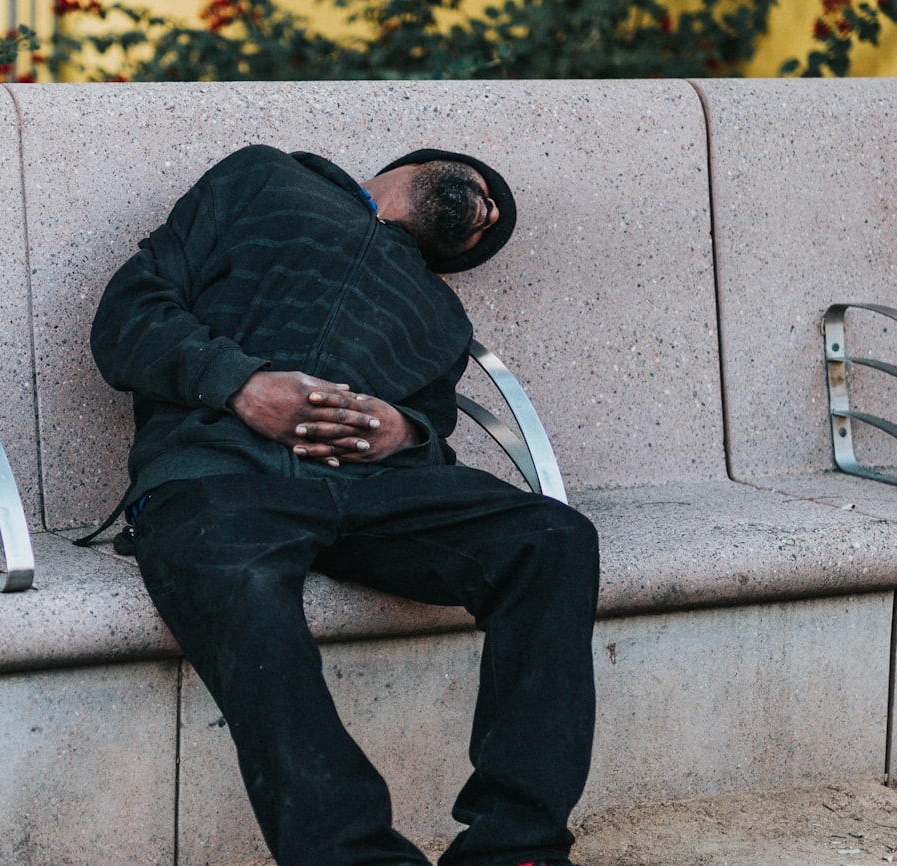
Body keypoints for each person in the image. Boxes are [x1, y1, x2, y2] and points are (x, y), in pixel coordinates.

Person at [87, 144, 600, 866]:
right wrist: (242, 385)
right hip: (219, 473)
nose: (488, 213)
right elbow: (126, 316)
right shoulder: (261, 181)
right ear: (431, 161)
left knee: (554, 538)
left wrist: (404, 429)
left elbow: (432, 430)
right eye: (488, 195)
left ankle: (516, 848)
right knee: (243, 587)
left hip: (375, 492)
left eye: (490, 226)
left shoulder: (440, 315)